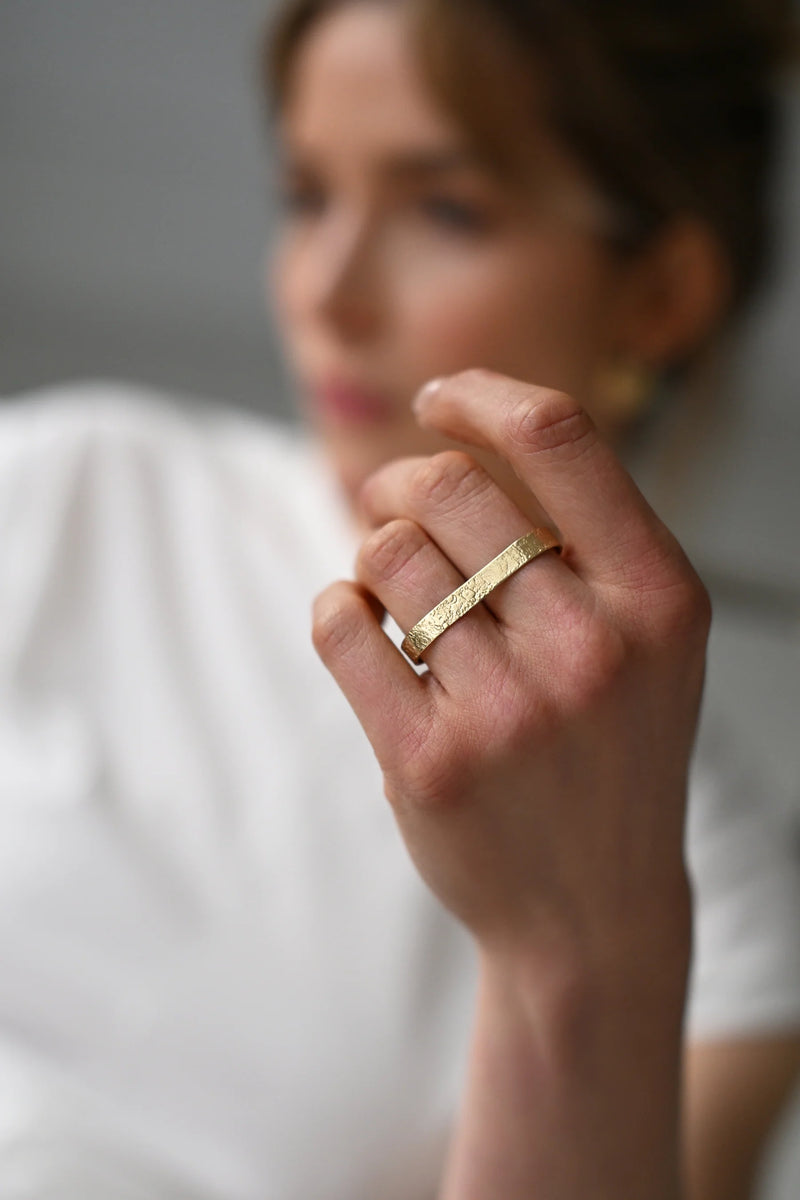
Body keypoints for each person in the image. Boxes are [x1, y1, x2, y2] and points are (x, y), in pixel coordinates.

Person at [0, 1, 798, 1197]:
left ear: (659, 296)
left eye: (444, 209)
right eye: (305, 197)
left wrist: (570, 946)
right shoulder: (64, 491)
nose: (327, 289)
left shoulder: (721, 895)